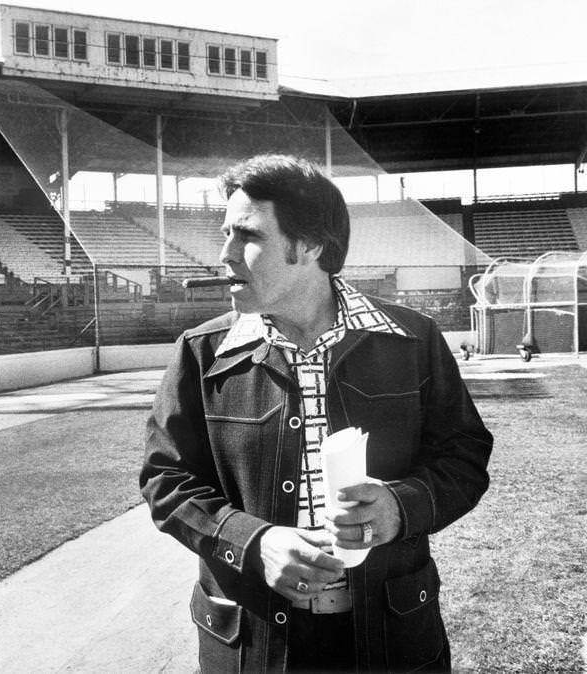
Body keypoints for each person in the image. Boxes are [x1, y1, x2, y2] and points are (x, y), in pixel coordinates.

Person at [140, 154, 492, 672]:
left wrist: (400, 507)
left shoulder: (414, 341)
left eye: (247, 235)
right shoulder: (201, 352)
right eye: (226, 234)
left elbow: (464, 459)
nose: (225, 254)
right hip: (250, 644)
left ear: (311, 245)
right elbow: (165, 479)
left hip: (392, 637)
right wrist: (254, 543)